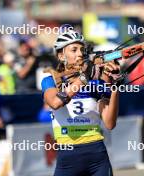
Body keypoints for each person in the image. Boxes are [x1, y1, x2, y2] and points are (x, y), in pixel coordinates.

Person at [41, 29, 120, 176]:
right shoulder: (50, 81)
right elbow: (55, 102)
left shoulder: (96, 83)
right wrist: (83, 79)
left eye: (82, 50)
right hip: (67, 158)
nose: (79, 54)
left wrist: (115, 87)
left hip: (97, 156)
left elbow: (110, 123)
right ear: (61, 55)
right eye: (74, 49)